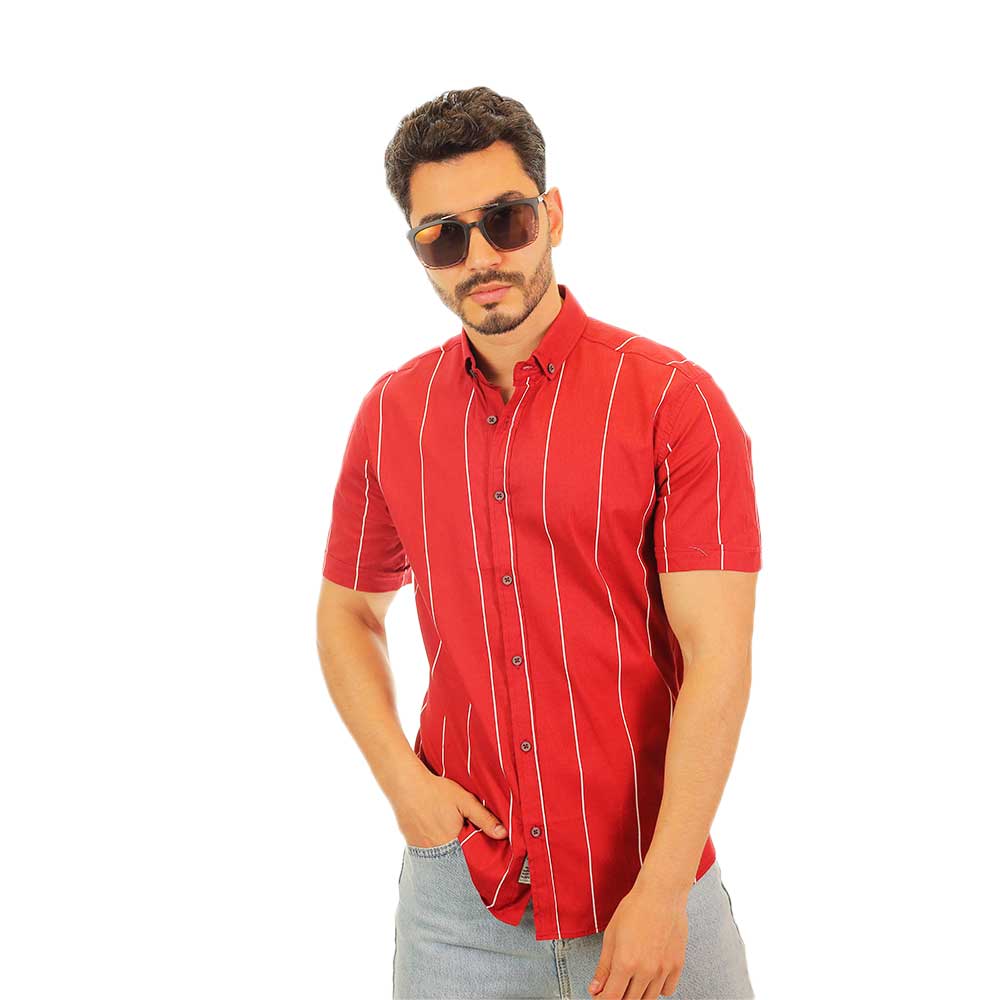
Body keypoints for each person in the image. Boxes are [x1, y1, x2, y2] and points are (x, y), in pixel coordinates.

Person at [315, 85, 760, 1000]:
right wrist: (405, 787)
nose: (480, 257)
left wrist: (663, 892)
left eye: (505, 220)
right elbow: (349, 611)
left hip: (649, 887)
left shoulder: (674, 402)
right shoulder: (393, 414)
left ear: (552, 215)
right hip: (460, 907)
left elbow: (718, 657)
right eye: (442, 237)